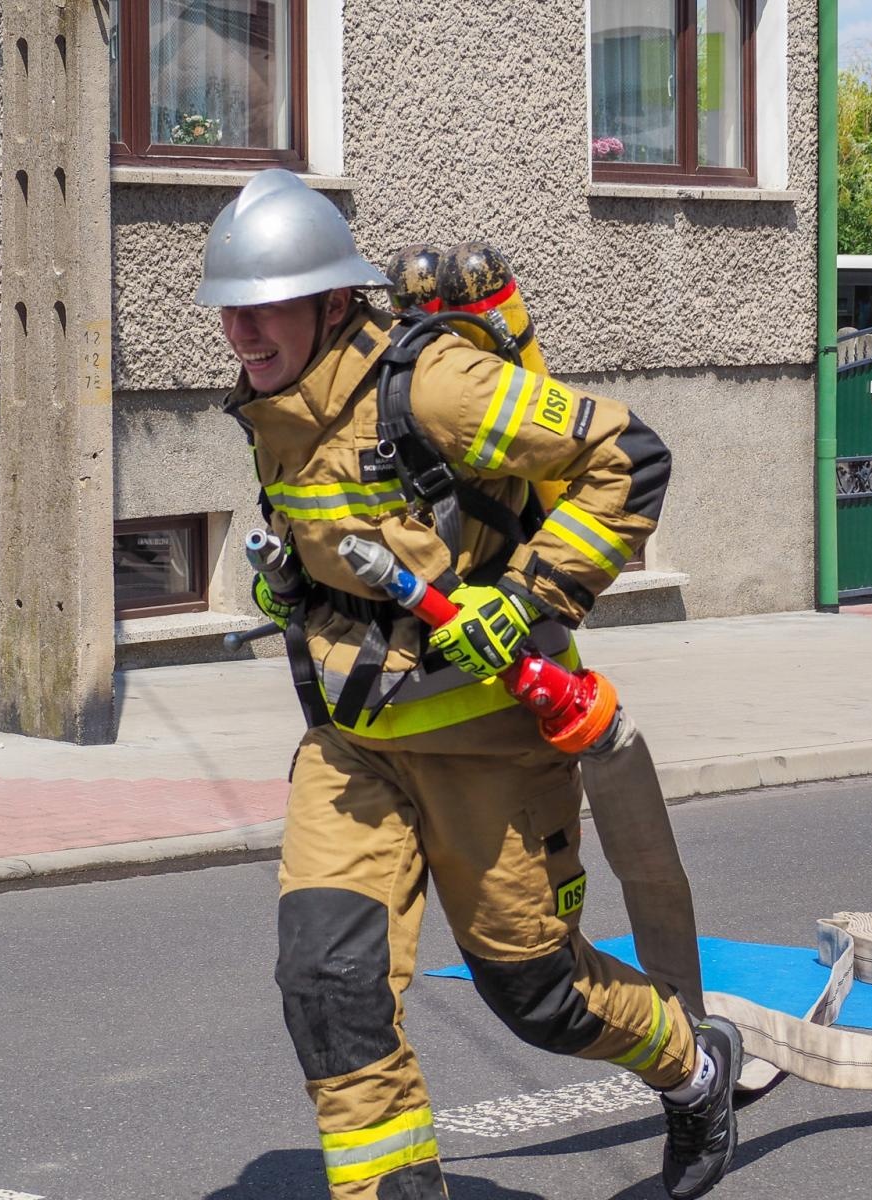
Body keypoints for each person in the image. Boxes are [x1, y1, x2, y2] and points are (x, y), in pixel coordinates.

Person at [197, 169, 740, 1200]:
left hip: (491, 745)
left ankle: (695, 1068)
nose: (244, 332)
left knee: (537, 996)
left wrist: (531, 596)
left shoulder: (436, 385)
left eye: (266, 308)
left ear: (330, 301)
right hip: (353, 750)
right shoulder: (276, 405)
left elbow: (626, 455)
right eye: (230, 309)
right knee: (327, 986)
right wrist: (295, 599)